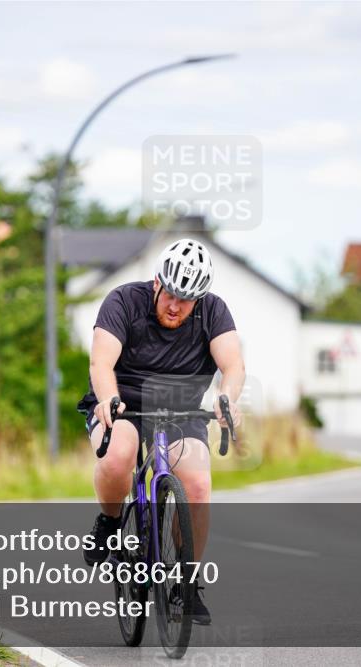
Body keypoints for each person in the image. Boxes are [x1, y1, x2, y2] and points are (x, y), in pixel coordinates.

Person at [77, 237, 245, 625]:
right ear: (157, 282)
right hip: (124, 404)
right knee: (118, 455)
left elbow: (233, 366)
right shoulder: (123, 302)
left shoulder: (214, 312)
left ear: (199, 298)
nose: (175, 306)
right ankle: (109, 520)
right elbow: (101, 363)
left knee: (199, 485)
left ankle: (185, 583)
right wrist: (107, 399)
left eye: (187, 300)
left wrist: (227, 399)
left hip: (181, 411)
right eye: (170, 294)